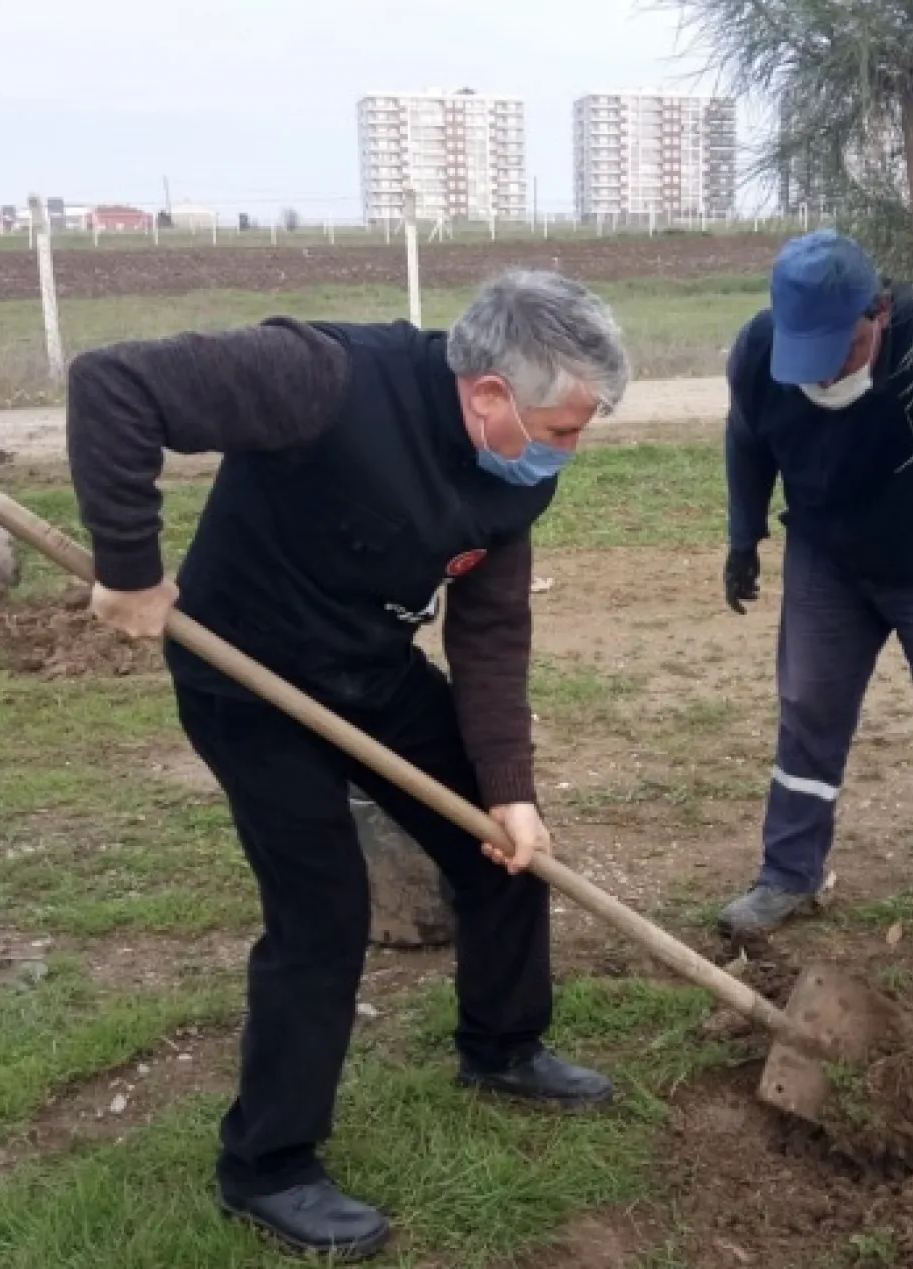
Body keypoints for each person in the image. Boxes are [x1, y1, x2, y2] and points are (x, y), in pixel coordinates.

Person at [64, 271, 631, 1261]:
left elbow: (490, 635)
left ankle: (502, 1047)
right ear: (490, 394)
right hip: (247, 685)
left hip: (369, 673)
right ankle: (268, 1166)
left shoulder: (511, 472)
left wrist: (508, 791)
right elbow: (115, 385)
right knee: (321, 911)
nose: (565, 452)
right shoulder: (322, 378)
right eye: (562, 429)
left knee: (499, 849)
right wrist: (127, 566)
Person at [716, 230, 913, 1005]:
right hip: (828, 554)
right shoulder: (759, 353)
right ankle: (789, 873)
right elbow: (748, 439)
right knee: (808, 706)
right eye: (805, 348)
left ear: (879, 311)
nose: (821, 367)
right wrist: (743, 533)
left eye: (841, 345)